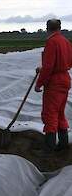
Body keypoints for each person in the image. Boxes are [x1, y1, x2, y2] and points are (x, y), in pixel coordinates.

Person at [35, 19, 72, 153]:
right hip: (65, 79)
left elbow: (49, 66)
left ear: (47, 28)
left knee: (50, 114)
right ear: (60, 28)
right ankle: (63, 144)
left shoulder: (52, 42)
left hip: (55, 82)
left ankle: (48, 148)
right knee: (60, 112)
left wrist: (39, 83)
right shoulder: (66, 42)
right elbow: (68, 61)